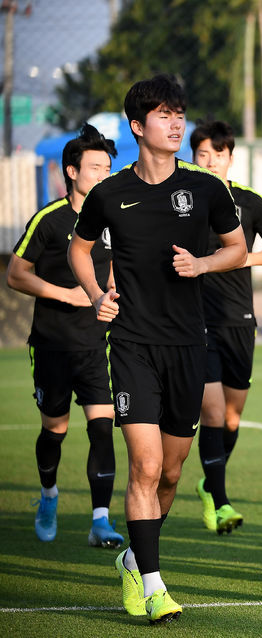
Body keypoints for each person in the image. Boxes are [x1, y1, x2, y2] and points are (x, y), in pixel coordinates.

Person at [69, 74, 246, 624]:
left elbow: (237, 249)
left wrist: (203, 263)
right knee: (143, 467)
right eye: (164, 115)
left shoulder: (207, 189)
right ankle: (152, 583)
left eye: (180, 114)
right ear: (138, 126)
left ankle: (132, 558)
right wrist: (98, 294)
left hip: (189, 346)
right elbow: (80, 249)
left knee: (170, 475)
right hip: (131, 346)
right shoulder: (109, 193)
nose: (176, 124)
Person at [7, 124, 122, 547]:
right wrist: (70, 296)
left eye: (108, 168)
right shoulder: (49, 219)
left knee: (102, 428)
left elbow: (112, 268)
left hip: (96, 345)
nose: (103, 174)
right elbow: (16, 274)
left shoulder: (111, 220)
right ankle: (49, 495)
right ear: (71, 171)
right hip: (53, 344)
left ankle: (100, 521)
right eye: (95, 167)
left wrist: (111, 294)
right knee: (54, 431)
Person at [190, 120, 262, 535]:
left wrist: (239, 257)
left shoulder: (250, 202)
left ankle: (209, 483)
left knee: (232, 417)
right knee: (212, 412)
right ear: (192, 157)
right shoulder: (184, 201)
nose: (211, 161)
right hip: (196, 321)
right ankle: (221, 500)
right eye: (202, 155)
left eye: (218, 154)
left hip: (239, 321)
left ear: (231, 157)